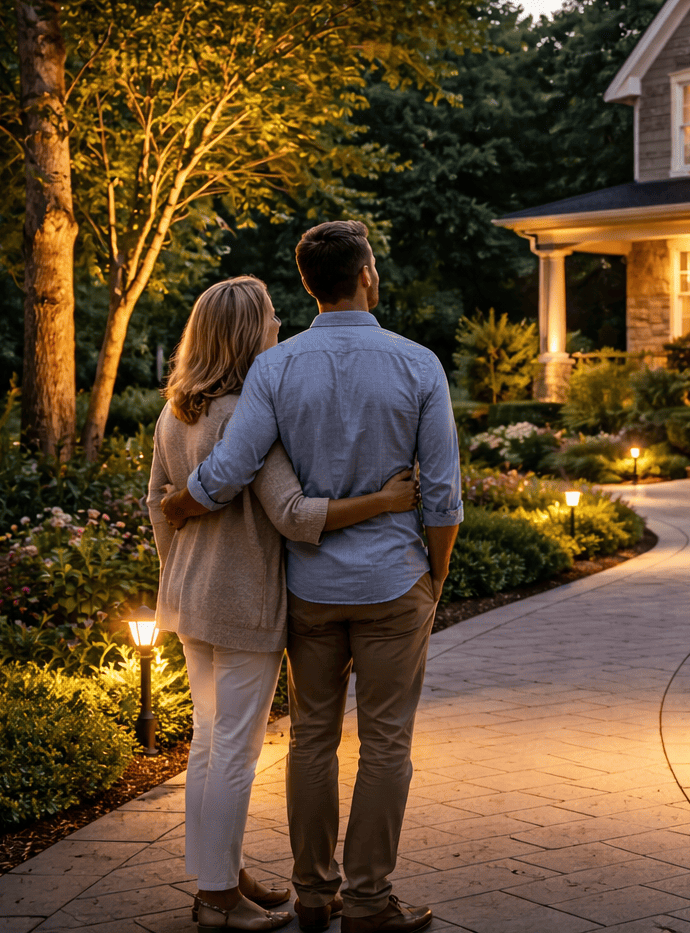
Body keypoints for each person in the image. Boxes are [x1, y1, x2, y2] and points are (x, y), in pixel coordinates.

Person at [162, 220, 462, 933]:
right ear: (367, 274)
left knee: (312, 738)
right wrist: (435, 578)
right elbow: (444, 497)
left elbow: (234, 468)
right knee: (387, 742)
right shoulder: (418, 364)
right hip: (394, 583)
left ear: (307, 284)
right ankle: (367, 900)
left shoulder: (275, 367)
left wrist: (185, 501)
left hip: (310, 589)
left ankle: (315, 891)